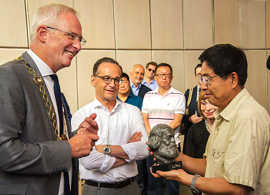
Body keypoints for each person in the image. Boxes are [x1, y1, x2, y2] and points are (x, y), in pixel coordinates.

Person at [0, 4, 98, 195]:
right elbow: (5, 152)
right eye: (71, 36)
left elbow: (44, 139)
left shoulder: (50, 80)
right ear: (43, 33)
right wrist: (69, 149)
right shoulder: (8, 77)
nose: (78, 46)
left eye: (80, 40)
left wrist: (76, 136)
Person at [151, 44, 270, 195]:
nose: (203, 86)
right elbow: (210, 165)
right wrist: (175, 157)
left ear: (233, 79)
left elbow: (236, 188)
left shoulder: (248, 117)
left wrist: (184, 178)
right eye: (202, 78)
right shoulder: (223, 114)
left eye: (208, 78)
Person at [71, 57, 149, 195]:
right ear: (93, 80)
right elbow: (89, 161)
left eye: (116, 79)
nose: (112, 84)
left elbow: (144, 149)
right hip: (96, 189)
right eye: (106, 78)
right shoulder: (81, 115)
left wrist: (105, 149)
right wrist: (128, 152)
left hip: (130, 188)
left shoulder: (133, 111)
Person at [142, 63, 185, 195]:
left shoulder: (179, 95)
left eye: (167, 75)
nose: (164, 78)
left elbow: (177, 121)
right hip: (152, 147)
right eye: (161, 75)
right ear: (155, 77)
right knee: (154, 183)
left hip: (171, 146)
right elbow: (145, 118)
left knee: (173, 182)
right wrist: (152, 136)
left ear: (171, 77)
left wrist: (158, 135)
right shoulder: (148, 95)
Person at [184, 92, 217, 160]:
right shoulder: (194, 130)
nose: (207, 108)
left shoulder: (228, 127)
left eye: (212, 103)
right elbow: (188, 160)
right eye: (203, 103)